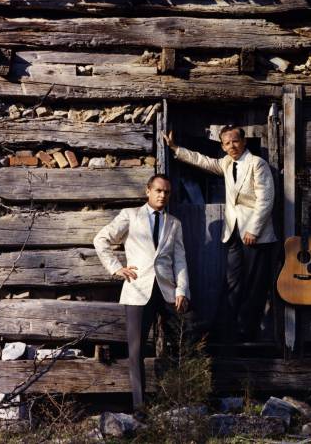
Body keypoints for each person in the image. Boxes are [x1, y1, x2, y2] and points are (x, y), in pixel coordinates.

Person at [163, 125, 275, 342]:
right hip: (233, 233)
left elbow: (266, 200)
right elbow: (205, 161)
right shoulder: (226, 163)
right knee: (232, 282)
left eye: (235, 141)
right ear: (222, 146)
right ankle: (228, 329)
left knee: (253, 285)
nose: (231, 146)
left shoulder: (257, 164)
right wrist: (176, 149)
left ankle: (247, 331)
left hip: (255, 235)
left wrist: (254, 229)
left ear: (243, 142)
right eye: (226, 143)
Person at [93, 174, 189, 411]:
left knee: (178, 346)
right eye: (158, 190)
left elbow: (180, 260)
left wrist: (182, 290)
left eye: (166, 192)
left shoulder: (174, 223)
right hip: (137, 290)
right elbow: (101, 239)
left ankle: (176, 401)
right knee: (135, 350)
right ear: (148, 191)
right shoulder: (130, 215)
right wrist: (116, 268)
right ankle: (139, 407)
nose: (162, 195)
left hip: (168, 293)